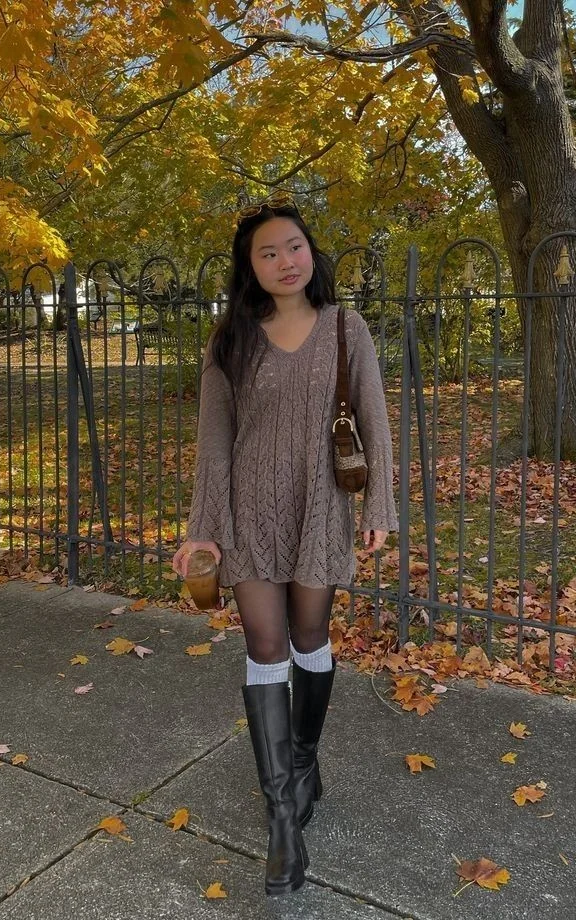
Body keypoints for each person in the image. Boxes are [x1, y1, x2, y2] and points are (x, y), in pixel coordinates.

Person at [172, 194, 398, 896]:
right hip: (246, 512)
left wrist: (381, 502)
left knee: (309, 636)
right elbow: (213, 438)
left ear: (311, 252)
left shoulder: (344, 328)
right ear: (250, 267)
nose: (283, 261)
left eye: (292, 246)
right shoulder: (231, 338)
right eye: (267, 253)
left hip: (318, 507)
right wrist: (202, 526)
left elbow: (374, 418)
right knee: (264, 646)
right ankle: (281, 822)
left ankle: (303, 762)